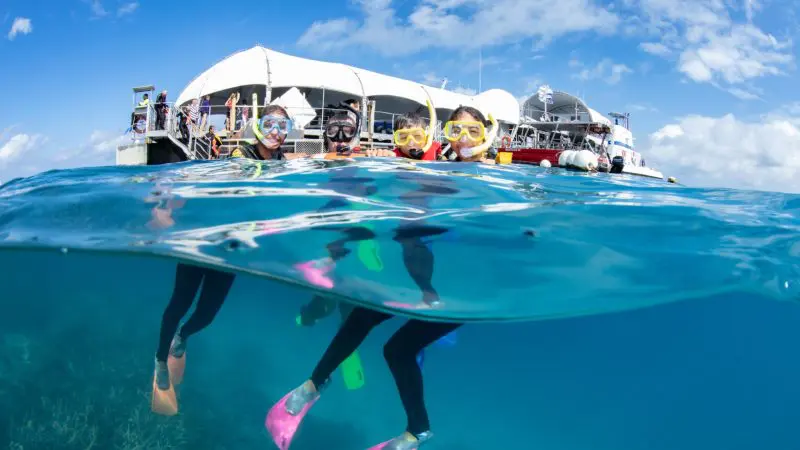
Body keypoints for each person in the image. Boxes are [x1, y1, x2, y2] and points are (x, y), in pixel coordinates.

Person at [266, 104, 499, 450]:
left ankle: (416, 433)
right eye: (455, 131)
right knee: (361, 315)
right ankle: (313, 385)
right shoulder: (437, 170)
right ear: (444, 135)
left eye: (473, 133)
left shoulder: (494, 175)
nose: (463, 140)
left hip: (465, 292)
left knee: (398, 350)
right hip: (426, 283)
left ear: (487, 135)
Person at [150, 104, 303, 417]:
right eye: (270, 124)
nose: (276, 132)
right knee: (179, 303)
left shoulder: (282, 163)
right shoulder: (240, 155)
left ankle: (182, 337)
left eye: (282, 126)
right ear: (259, 126)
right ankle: (159, 362)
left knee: (206, 315)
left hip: (235, 249)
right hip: (206, 240)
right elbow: (236, 182)